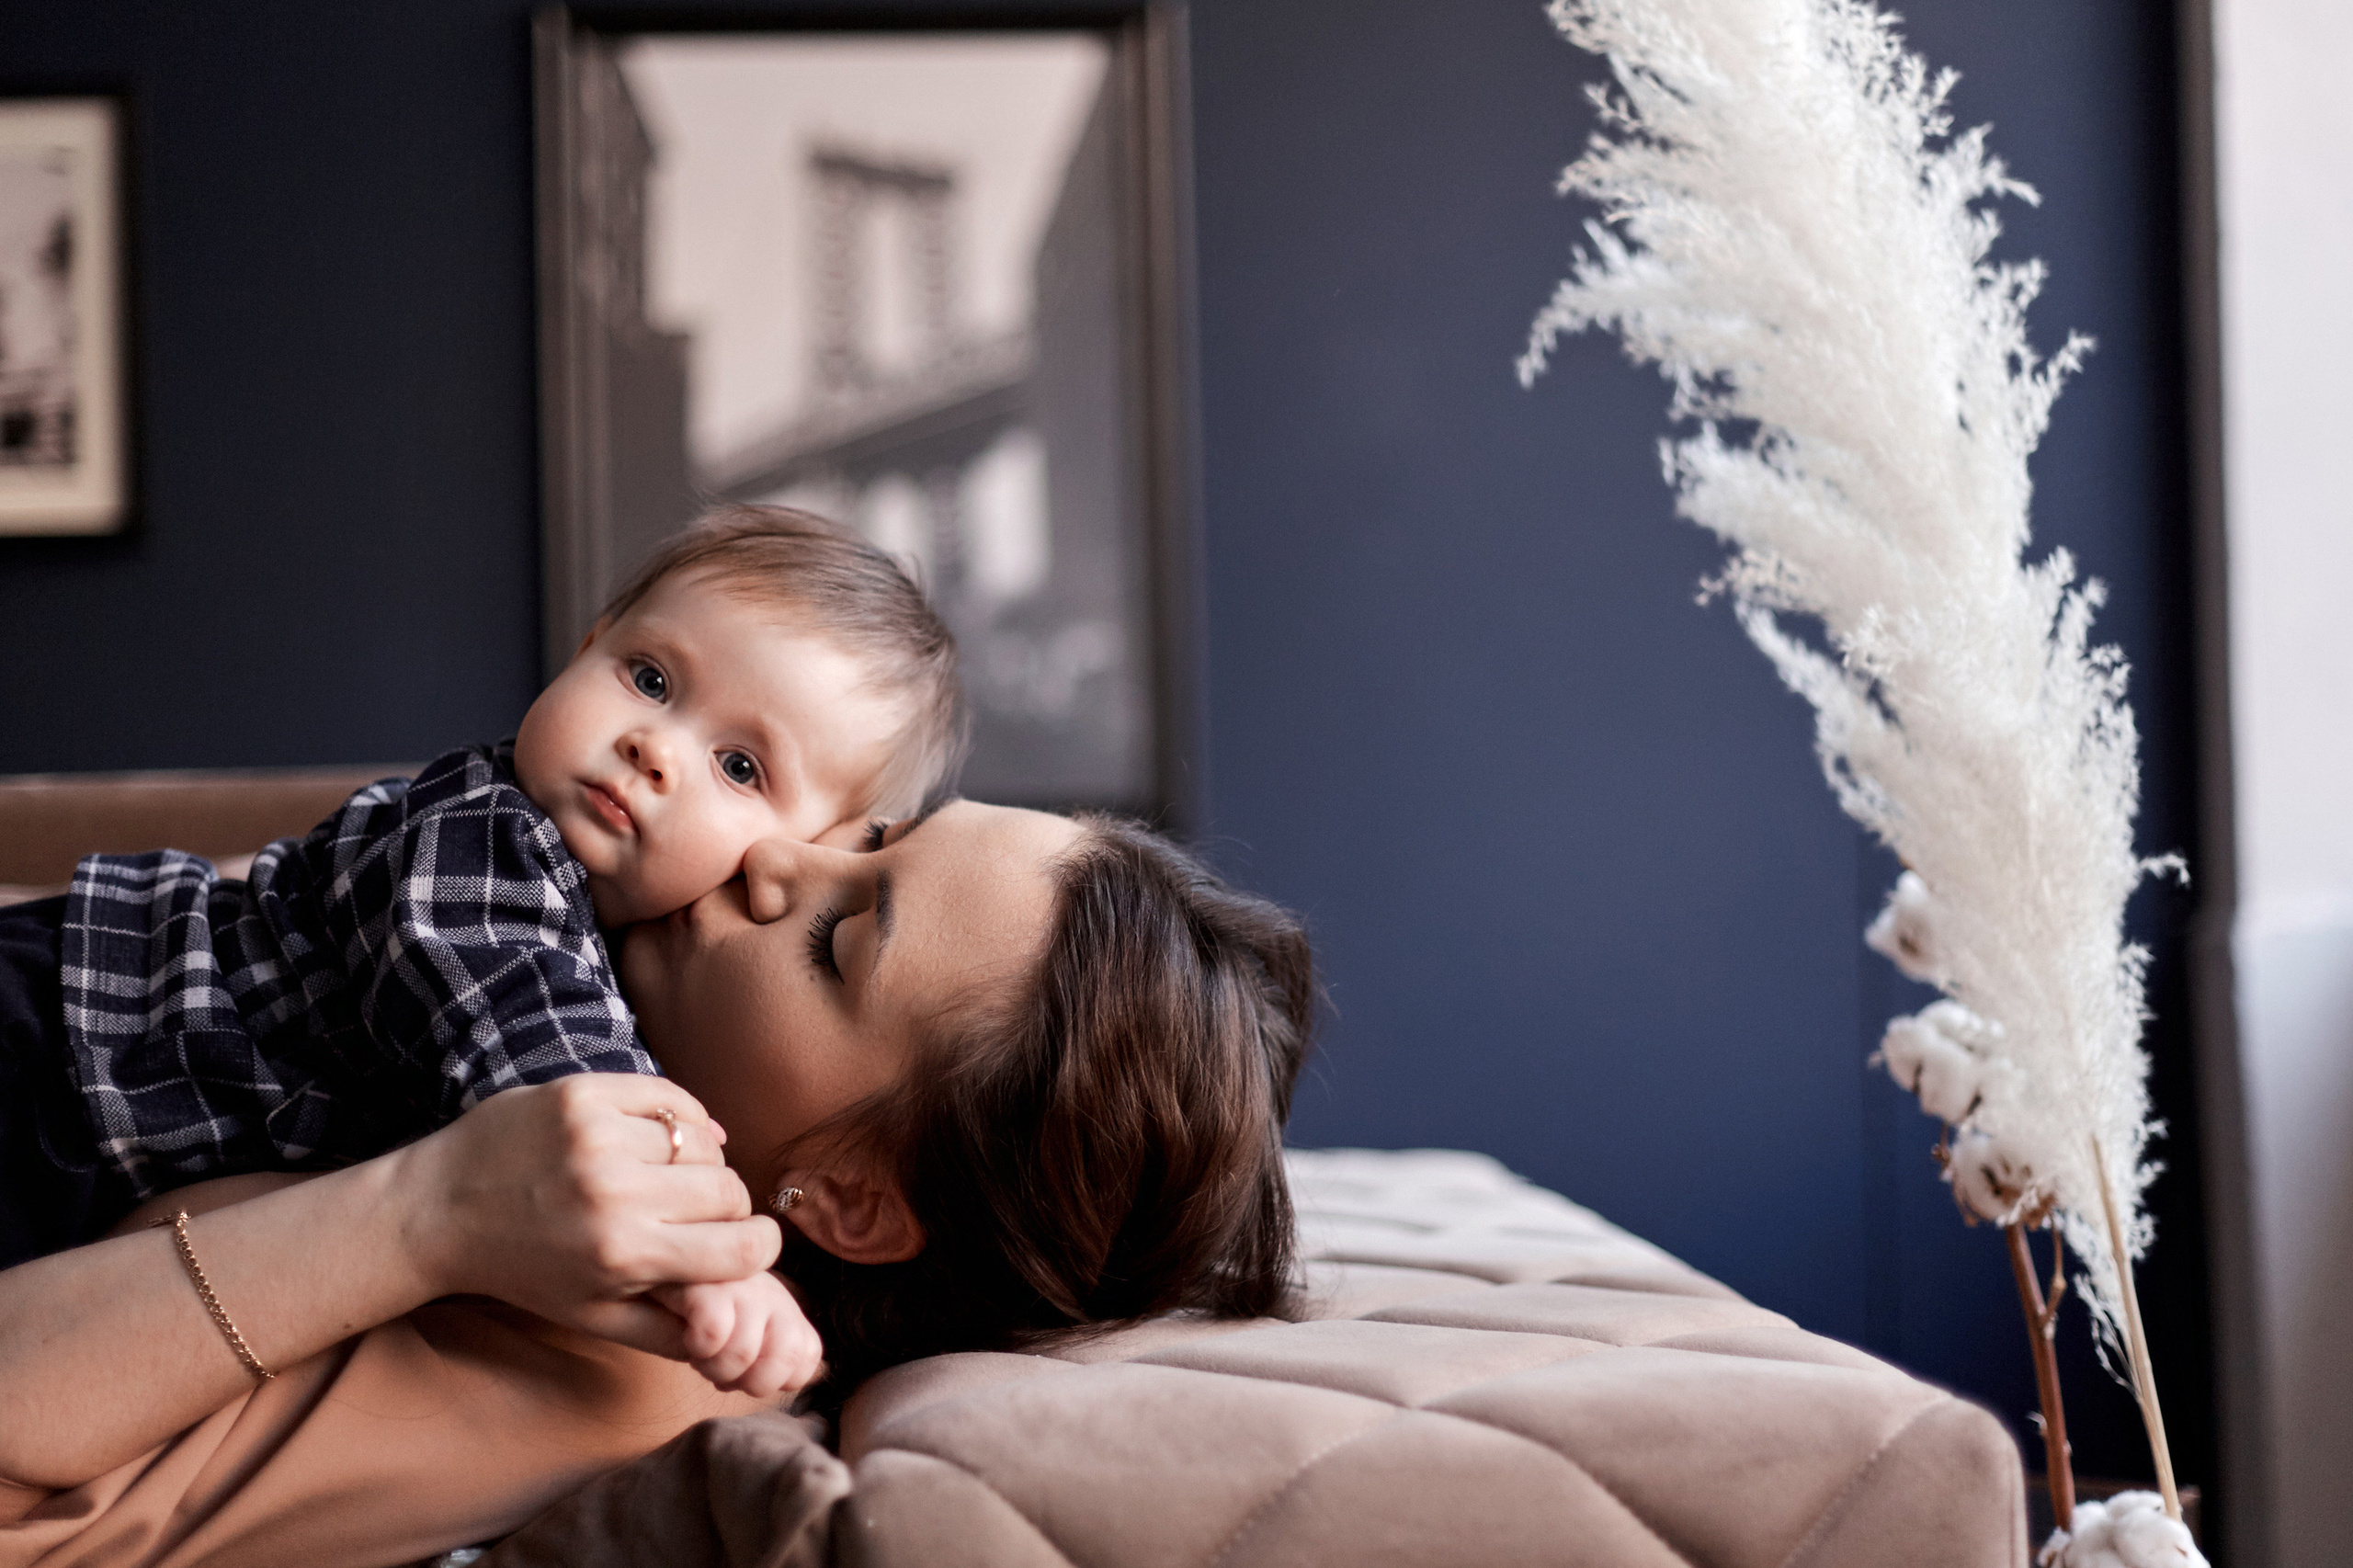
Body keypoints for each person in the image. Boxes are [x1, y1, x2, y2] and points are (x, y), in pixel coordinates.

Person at [0, 801, 1314, 1567]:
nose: (769, 857)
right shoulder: (547, 973)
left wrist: (426, 1212)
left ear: (853, 1200)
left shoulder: (639, 1349)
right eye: (866, 834)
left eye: (838, 935)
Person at [0, 506, 961, 1270]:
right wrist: (696, 1229)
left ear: (793, 851)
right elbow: (523, 1027)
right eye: (652, 679)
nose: (653, 746)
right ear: (589, 645)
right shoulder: (484, 832)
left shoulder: (635, 951)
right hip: (64, 1039)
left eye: (741, 767)